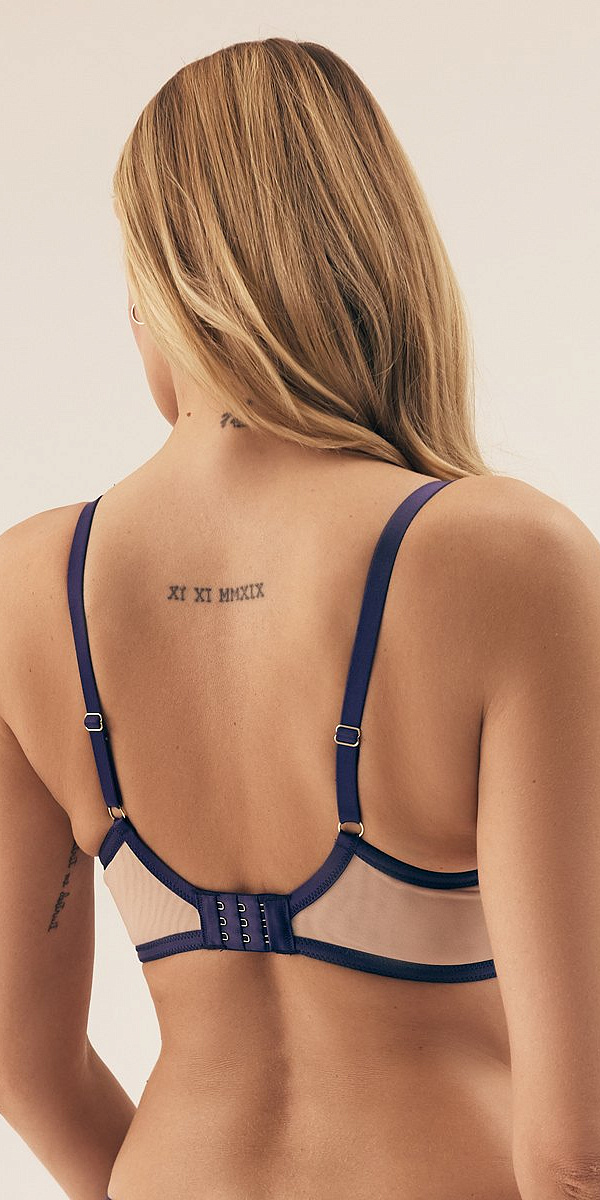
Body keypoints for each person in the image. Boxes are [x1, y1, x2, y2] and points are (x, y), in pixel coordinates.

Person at [1, 36, 599, 1200]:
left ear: (161, 293)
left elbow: (26, 1067)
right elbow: (573, 1154)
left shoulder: (28, 589)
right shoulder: (506, 561)